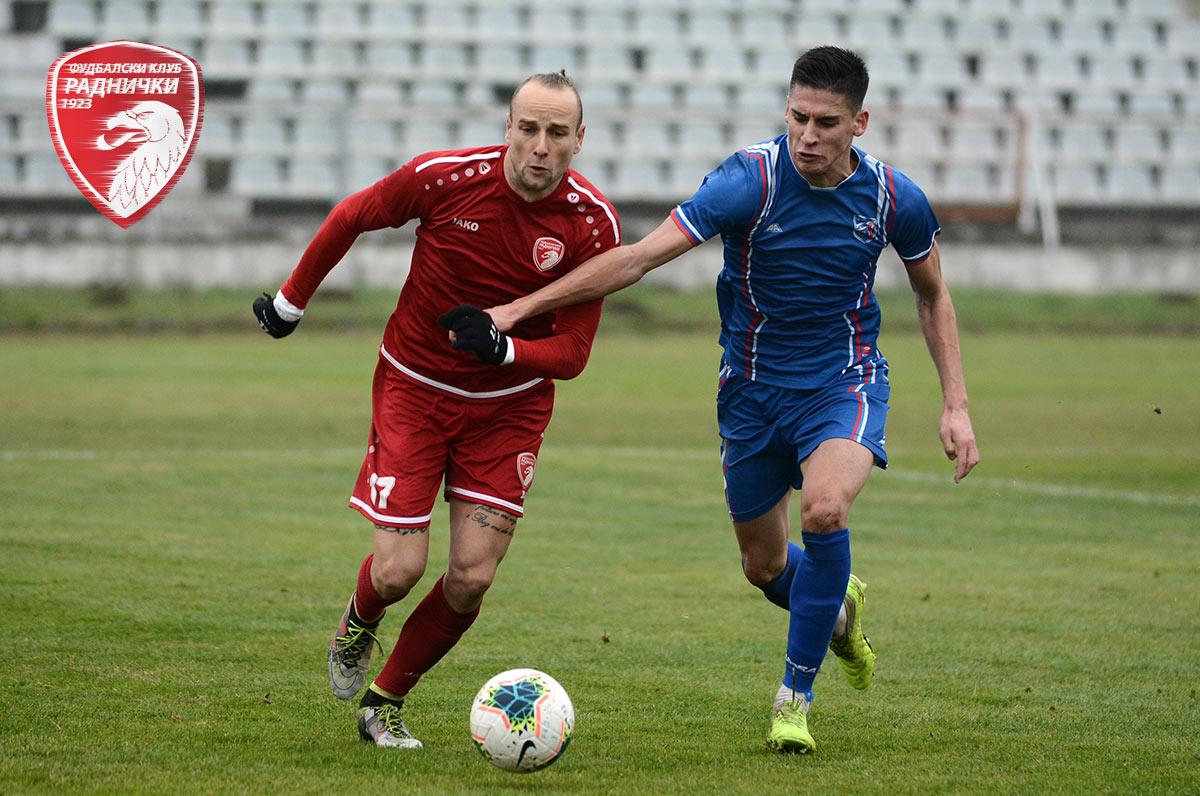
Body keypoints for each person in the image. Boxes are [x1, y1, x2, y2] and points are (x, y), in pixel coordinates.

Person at [441, 47, 979, 754]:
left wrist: (956, 404)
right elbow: (637, 257)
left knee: (825, 510)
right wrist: (515, 311)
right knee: (764, 565)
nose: (808, 136)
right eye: (797, 118)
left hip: (842, 383)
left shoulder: (892, 198)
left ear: (860, 123)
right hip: (750, 391)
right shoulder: (747, 181)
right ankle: (836, 605)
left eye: (826, 122)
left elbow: (932, 293)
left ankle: (795, 698)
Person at [252, 71, 620, 749]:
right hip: (415, 389)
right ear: (507, 127)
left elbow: (572, 352)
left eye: (557, 133)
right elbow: (352, 215)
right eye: (528, 128)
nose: (540, 146)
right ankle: (361, 617)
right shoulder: (444, 178)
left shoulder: (592, 223)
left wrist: (506, 350)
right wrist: (290, 301)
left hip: (509, 410)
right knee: (398, 571)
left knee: (472, 576)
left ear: (579, 140)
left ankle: (384, 703)